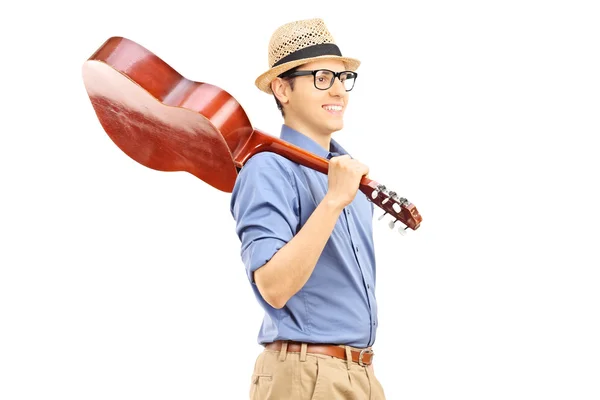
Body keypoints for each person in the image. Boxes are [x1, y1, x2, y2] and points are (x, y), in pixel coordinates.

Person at [230, 18, 386, 399]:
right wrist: (333, 202)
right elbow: (275, 287)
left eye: (342, 78)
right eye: (321, 77)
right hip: (305, 376)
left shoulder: (348, 176)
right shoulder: (266, 168)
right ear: (282, 88)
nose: (338, 90)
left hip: (360, 373)